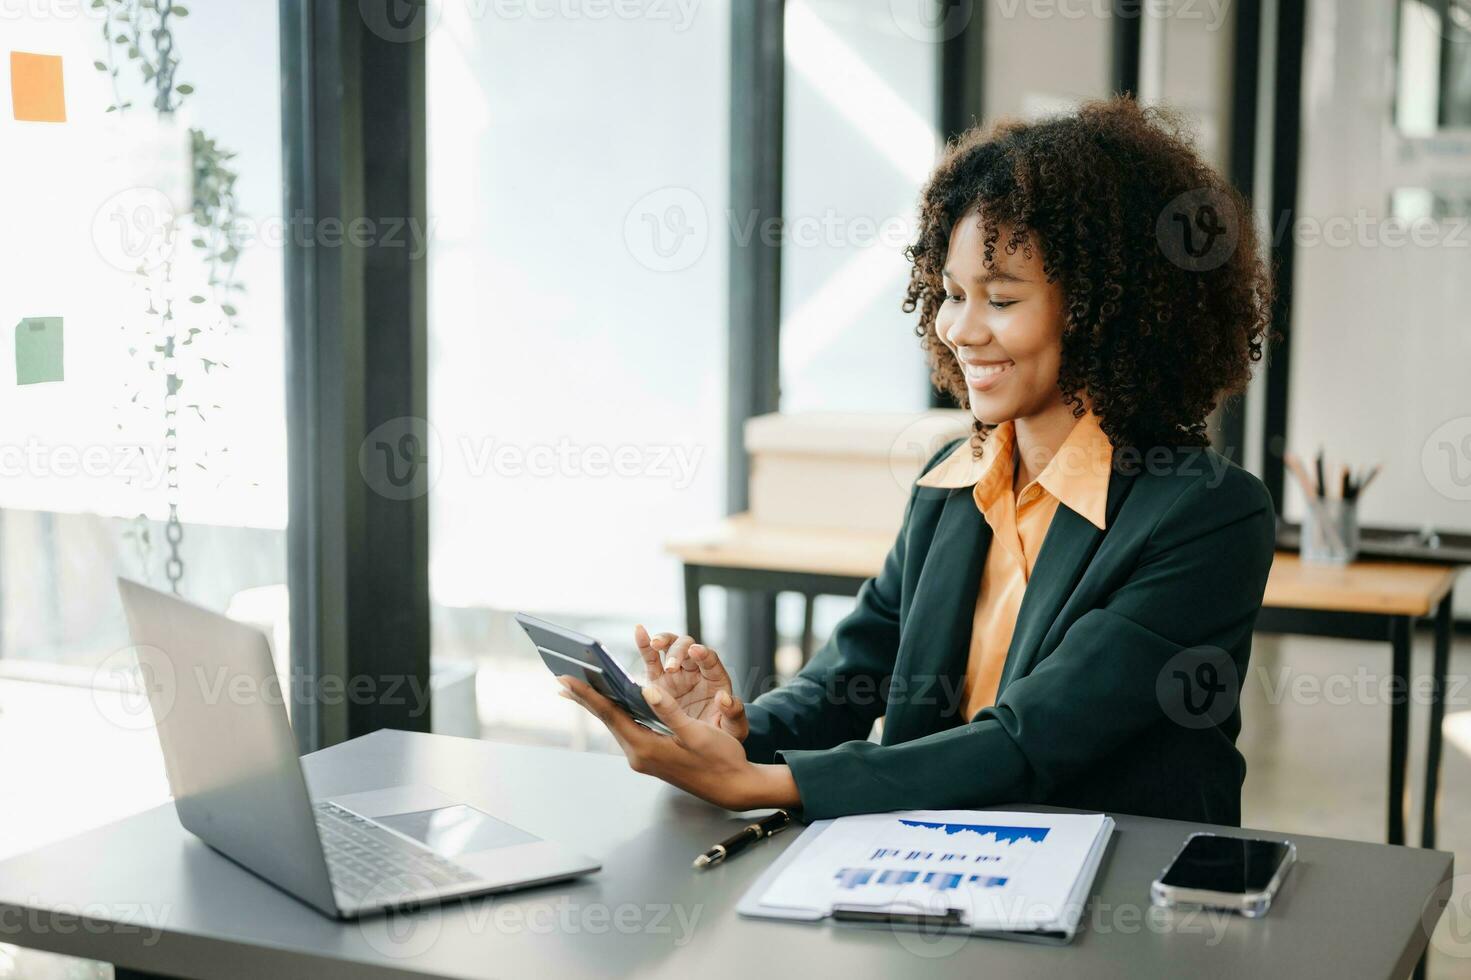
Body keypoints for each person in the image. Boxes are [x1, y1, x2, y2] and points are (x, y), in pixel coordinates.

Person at [557, 97, 1276, 825]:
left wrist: (767, 787)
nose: (960, 329)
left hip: (1120, 895)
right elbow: (847, 677)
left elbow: (1031, 740)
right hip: (935, 866)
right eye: (952, 294)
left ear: (1101, 310)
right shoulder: (952, 477)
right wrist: (731, 733)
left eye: (999, 298)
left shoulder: (1206, 513)